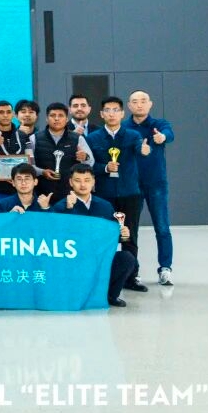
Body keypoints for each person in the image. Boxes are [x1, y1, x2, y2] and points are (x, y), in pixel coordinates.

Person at [49, 164, 141, 307]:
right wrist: (69, 209)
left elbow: (110, 236)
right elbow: (56, 236)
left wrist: (122, 234)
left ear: (93, 182)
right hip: (73, 260)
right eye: (78, 180)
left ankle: (110, 296)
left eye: (87, 180)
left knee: (127, 258)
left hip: (98, 259)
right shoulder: (61, 206)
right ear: (71, 182)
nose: (82, 184)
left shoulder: (105, 206)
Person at [87, 96, 150, 292]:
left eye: (116, 110)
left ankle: (131, 277)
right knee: (104, 236)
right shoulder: (93, 138)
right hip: (104, 196)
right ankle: (103, 276)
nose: (112, 114)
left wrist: (144, 149)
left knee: (130, 236)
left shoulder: (132, 135)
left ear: (122, 113)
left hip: (130, 193)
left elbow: (139, 148)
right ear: (101, 114)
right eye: (107, 110)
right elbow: (88, 166)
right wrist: (105, 167)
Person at [128, 89, 175, 286]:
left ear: (150, 104)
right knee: (130, 230)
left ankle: (165, 268)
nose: (139, 104)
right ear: (129, 106)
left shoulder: (159, 124)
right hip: (131, 185)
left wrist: (162, 137)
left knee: (162, 227)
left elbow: (169, 134)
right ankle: (132, 271)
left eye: (143, 101)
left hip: (156, 184)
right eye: (135, 101)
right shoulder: (124, 128)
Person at [32, 102, 93, 202]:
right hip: (42, 194)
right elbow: (29, 165)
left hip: (70, 194)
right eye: (53, 115)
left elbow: (91, 162)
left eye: (60, 115)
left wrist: (85, 157)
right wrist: (41, 172)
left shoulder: (78, 138)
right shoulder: (34, 138)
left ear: (66, 119)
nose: (56, 119)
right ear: (47, 119)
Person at [0, 100, 35, 201]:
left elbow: (31, 162)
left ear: (13, 114)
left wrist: (41, 172)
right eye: (1, 112)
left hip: (21, 190)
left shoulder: (23, 136)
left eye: (8, 112)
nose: (5, 115)